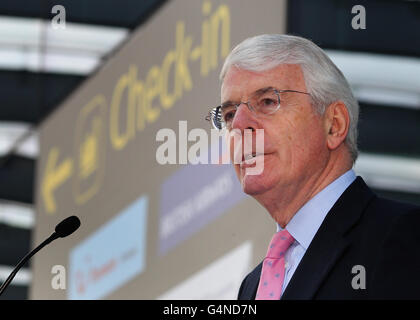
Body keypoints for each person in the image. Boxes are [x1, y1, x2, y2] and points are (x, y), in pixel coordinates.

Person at [207, 34, 420, 299]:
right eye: (229, 115)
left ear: (334, 125)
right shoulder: (251, 287)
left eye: (267, 102)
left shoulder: (403, 235)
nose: (238, 125)